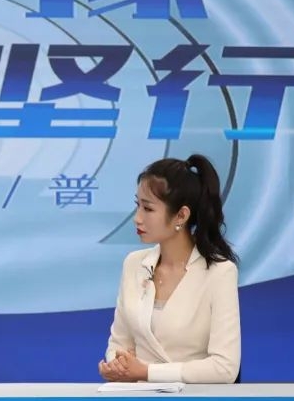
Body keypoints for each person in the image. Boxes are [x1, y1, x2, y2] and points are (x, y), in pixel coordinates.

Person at [99, 154, 240, 384]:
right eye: (137, 205)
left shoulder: (219, 272)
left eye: (148, 208)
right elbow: (119, 344)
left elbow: (224, 368)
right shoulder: (134, 264)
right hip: (137, 400)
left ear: (181, 215)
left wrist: (146, 372)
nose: (137, 218)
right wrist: (116, 366)